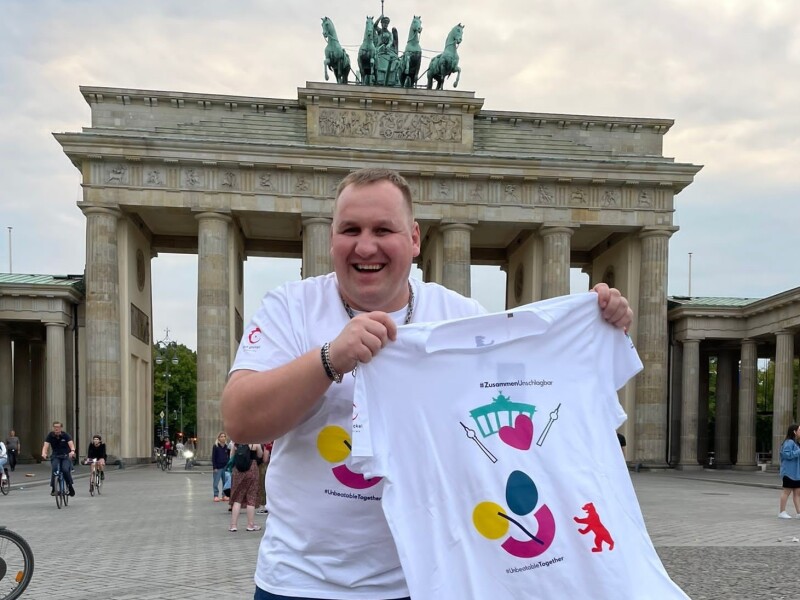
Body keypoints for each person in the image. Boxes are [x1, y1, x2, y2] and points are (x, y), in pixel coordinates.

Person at [221, 167, 634, 599]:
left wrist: (595, 331)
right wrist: (330, 358)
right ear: (331, 239)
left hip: (429, 580)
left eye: (383, 229)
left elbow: (535, 396)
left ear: (414, 238)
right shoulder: (290, 308)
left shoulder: (461, 317)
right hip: (300, 581)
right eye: (350, 229)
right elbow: (240, 420)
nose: (365, 246)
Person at [228, 443, 264, 532]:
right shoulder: (255, 444)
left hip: (238, 471)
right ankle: (250, 525)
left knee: (237, 498)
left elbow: (231, 457)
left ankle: (233, 525)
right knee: (251, 497)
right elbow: (260, 455)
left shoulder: (235, 443)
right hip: (252, 470)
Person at [41, 421, 76, 497]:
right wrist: (44, 453)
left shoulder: (65, 435)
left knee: (65, 470)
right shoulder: (50, 435)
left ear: (61, 428)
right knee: (54, 469)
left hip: (65, 455)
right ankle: (54, 488)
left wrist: (72, 451)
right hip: (56, 455)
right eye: (55, 427)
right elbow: (45, 445)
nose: (56, 428)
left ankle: (70, 487)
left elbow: (71, 444)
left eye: (58, 427)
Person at [779, 423, 800, 519]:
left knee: (797, 493)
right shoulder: (789, 442)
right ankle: (782, 512)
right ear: (794, 432)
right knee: (786, 492)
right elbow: (786, 455)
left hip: (796, 473)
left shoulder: (796, 443)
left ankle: (799, 513)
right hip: (789, 473)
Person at [211, 432, 231, 502]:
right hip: (218, 467)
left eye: (224, 436)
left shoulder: (226, 446)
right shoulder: (215, 446)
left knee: (225, 482)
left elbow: (228, 456)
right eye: (221, 436)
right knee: (216, 482)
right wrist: (214, 467)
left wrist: (228, 465)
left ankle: (224, 495)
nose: (223, 438)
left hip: (225, 466)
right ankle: (216, 495)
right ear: (218, 438)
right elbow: (213, 457)